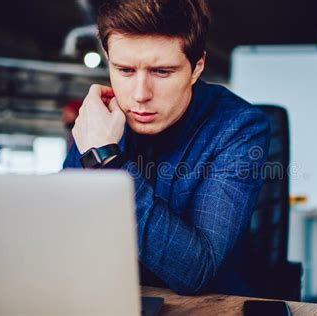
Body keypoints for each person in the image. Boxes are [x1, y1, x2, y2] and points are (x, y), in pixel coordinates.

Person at [63, 0, 270, 296]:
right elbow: (64, 233)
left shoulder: (239, 128)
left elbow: (195, 271)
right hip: (106, 298)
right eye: (124, 70)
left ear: (196, 67)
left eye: (162, 72)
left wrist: (107, 160)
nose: (140, 95)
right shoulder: (97, 120)